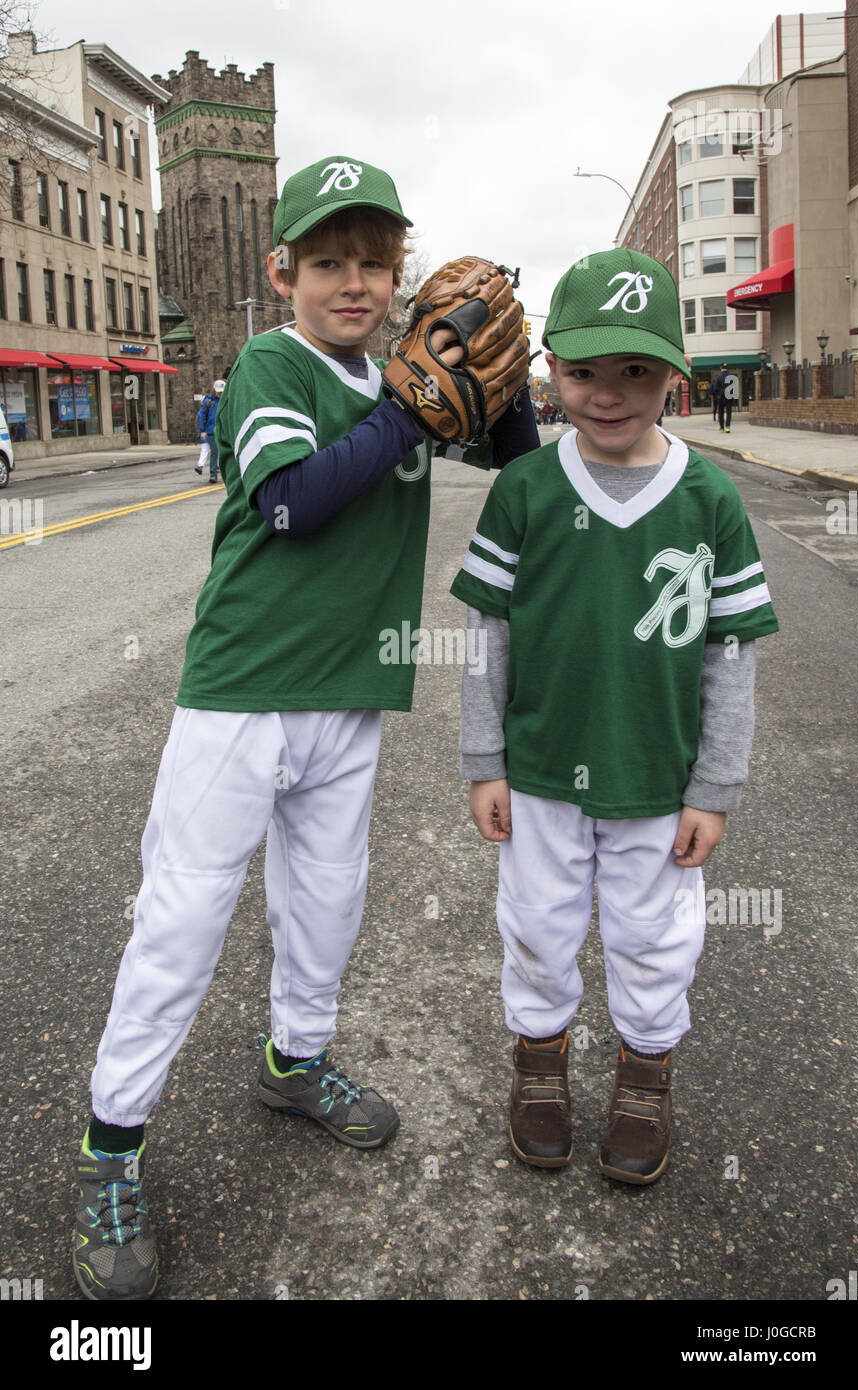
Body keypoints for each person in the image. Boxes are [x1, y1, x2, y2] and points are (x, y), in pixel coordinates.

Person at [72, 153, 538, 1301]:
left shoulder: (403, 375)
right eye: (328, 261)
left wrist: (505, 381)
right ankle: (112, 1145)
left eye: (374, 264)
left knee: (326, 903)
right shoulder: (272, 361)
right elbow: (289, 501)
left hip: (349, 697)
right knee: (181, 916)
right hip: (241, 692)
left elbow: (521, 475)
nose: (353, 283)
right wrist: (407, 405)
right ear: (284, 270)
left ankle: (295, 1058)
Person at [451, 248, 778, 1183]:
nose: (608, 393)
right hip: (544, 766)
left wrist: (716, 785)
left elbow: (731, 654)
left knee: (654, 937)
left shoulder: (713, 499)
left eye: (636, 369)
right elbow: (489, 636)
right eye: (586, 369)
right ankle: (540, 1065)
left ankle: (644, 1074)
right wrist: (485, 759)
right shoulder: (525, 490)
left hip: (657, 776)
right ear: (550, 370)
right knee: (538, 925)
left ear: (674, 374)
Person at [196, 380, 225, 481]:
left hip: (224, 430)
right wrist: (202, 430)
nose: (220, 393)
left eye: (221, 392)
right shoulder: (209, 401)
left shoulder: (226, 401)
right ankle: (213, 474)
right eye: (218, 391)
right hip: (212, 430)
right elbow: (202, 415)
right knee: (214, 452)